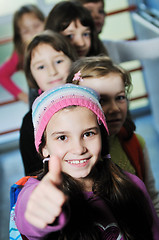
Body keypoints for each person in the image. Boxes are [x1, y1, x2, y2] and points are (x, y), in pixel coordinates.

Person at [15, 84, 159, 239]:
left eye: (88, 134)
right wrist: (41, 211)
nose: (78, 149)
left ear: (101, 137)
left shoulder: (132, 184)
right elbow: (29, 217)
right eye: (62, 137)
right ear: (43, 148)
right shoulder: (33, 192)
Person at [66, 55, 159, 216]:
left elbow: (151, 196)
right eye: (102, 100)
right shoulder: (75, 155)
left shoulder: (135, 142)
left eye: (120, 97)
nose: (115, 108)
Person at [20, 30, 78, 176]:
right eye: (41, 67)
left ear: (73, 61)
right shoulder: (30, 122)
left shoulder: (91, 105)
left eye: (58, 61)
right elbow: (33, 176)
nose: (52, 72)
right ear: (31, 74)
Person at [76, 0, 159, 64]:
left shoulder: (110, 47)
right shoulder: (67, 56)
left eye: (100, 11)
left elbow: (148, 49)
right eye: (89, 11)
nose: (97, 16)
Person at [0, 4, 45, 103]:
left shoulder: (58, 43)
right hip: (40, 101)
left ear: (45, 22)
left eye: (36, 26)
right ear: (20, 36)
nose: (34, 33)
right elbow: (2, 75)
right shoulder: (21, 54)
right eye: (26, 31)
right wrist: (24, 97)